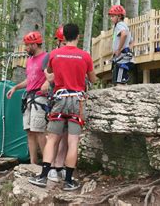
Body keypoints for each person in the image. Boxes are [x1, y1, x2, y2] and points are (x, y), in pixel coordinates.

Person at [29, 23, 97, 191]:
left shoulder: (54, 54)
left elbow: (50, 74)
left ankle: (43, 176)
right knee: (73, 140)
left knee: (51, 139)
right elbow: (93, 79)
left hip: (59, 100)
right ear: (78, 36)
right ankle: (68, 181)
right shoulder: (85, 56)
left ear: (63, 37)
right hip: (77, 100)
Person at [6, 31, 49, 165]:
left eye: (27, 45)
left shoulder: (46, 58)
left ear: (35, 44)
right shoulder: (29, 60)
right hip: (29, 98)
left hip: (40, 98)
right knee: (29, 132)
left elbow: (52, 76)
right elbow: (29, 80)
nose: (25, 48)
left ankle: (47, 164)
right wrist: (15, 87)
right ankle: (33, 164)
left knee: (39, 131)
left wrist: (47, 83)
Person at [43, 26, 69, 183]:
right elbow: (48, 76)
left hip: (70, 99)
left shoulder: (74, 55)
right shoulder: (51, 55)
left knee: (66, 136)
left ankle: (60, 166)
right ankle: (51, 166)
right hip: (56, 98)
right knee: (54, 136)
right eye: (63, 42)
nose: (65, 45)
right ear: (59, 42)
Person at [108, 5, 133, 85]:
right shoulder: (125, 26)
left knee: (119, 81)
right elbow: (132, 42)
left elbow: (124, 34)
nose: (111, 18)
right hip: (123, 56)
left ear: (119, 16)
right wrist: (128, 49)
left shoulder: (120, 25)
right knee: (121, 78)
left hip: (121, 57)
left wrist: (119, 49)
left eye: (112, 16)